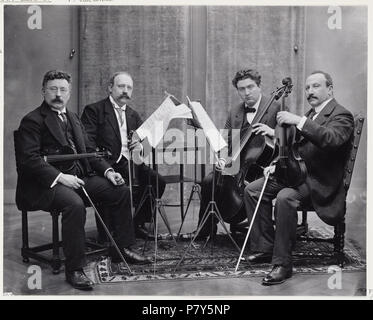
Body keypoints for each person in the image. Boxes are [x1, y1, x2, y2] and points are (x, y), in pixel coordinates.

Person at [15, 70, 151, 291]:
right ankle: (75, 269)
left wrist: (108, 172)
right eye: (53, 89)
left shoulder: (73, 118)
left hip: (78, 178)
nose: (58, 94)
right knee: (74, 204)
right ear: (43, 91)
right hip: (46, 184)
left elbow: (90, 152)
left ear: (69, 93)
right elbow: (28, 160)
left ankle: (122, 248)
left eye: (63, 90)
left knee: (120, 189)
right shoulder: (32, 120)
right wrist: (61, 177)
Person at [243, 71, 354, 285]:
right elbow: (294, 149)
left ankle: (283, 264)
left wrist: (298, 120)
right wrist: (275, 165)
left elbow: (330, 140)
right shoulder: (311, 114)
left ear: (330, 89)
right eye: (307, 87)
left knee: (285, 197)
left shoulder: (341, 115)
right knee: (253, 190)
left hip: (319, 181)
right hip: (298, 174)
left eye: (316, 86)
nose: (310, 91)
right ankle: (265, 248)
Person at [194, 68, 281, 238]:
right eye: (242, 89)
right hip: (238, 165)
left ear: (259, 86)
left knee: (248, 188)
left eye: (250, 87)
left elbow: (290, 138)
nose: (246, 93)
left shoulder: (275, 107)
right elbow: (225, 141)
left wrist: (272, 131)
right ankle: (205, 230)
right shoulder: (235, 111)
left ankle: (261, 237)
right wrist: (222, 157)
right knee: (209, 180)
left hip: (267, 167)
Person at [81, 71, 166, 240]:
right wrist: (106, 168)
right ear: (110, 88)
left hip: (130, 164)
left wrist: (141, 145)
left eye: (129, 87)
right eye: (121, 86)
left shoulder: (133, 115)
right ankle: (110, 232)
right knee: (116, 187)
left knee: (157, 181)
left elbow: (146, 141)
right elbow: (87, 145)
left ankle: (137, 224)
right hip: (105, 165)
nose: (125, 91)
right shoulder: (94, 110)